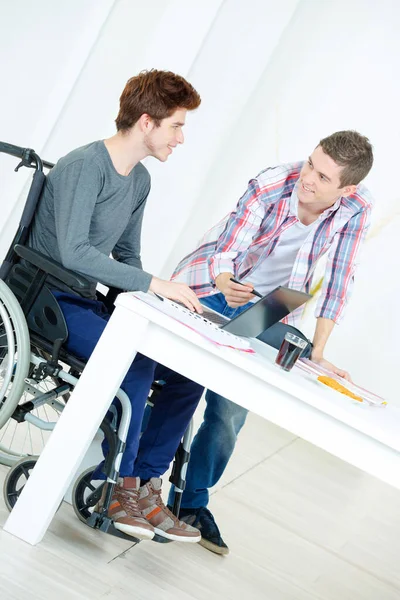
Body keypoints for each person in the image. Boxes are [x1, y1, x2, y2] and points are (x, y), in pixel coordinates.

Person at [169, 130, 374, 554]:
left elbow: (340, 277)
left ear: (347, 189)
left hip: (270, 310)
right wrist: (227, 283)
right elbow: (228, 247)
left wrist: (318, 352)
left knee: (229, 415)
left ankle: (190, 503)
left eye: (323, 177)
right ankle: (135, 481)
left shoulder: (357, 208)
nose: (309, 179)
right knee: (174, 385)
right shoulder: (272, 183)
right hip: (212, 285)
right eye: (311, 164)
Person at [29, 69, 205, 543]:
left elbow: (126, 256)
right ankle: (119, 490)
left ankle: (146, 486)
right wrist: (155, 283)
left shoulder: (139, 181)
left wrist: (159, 303)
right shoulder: (87, 165)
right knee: (135, 365)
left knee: (187, 373)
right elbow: (73, 252)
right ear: (147, 123)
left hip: (85, 299)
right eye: (177, 125)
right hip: (49, 297)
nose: (182, 138)